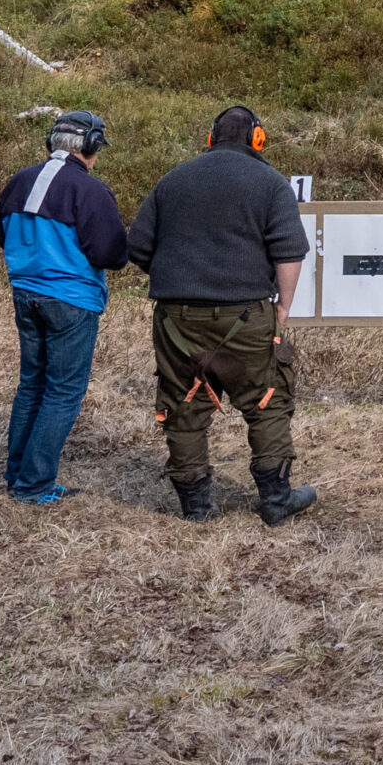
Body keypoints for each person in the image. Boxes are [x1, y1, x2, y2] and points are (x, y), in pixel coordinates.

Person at [126, 105, 315, 526]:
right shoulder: (270, 182)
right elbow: (289, 252)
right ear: (258, 141)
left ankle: (195, 508)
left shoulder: (171, 181)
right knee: (267, 402)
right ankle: (276, 500)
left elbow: (137, 249)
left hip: (175, 320)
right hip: (246, 317)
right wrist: (282, 309)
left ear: (210, 140)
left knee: (184, 407)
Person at [0, 110, 128, 505]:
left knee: (32, 385)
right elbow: (111, 255)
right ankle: (35, 485)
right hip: (71, 301)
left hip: (25, 294)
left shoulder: (18, 181)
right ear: (90, 147)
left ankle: (17, 474)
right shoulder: (90, 191)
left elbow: (3, 237)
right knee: (63, 392)